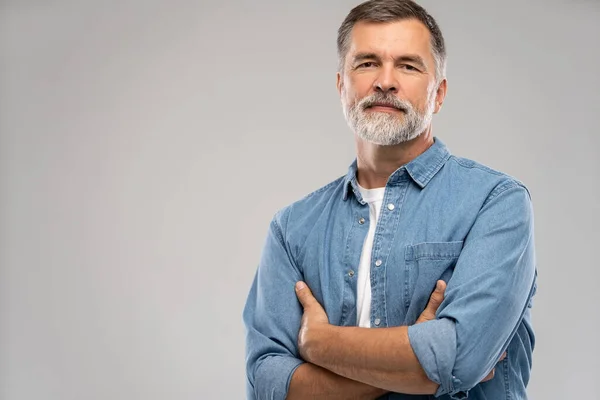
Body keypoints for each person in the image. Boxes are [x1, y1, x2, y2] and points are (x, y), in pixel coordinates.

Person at [243, 0, 537, 399]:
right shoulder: (292, 228)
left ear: (439, 94)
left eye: (408, 65)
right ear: (340, 85)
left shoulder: (496, 203)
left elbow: (461, 357)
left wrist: (319, 343)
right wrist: (419, 360)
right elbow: (267, 384)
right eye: (366, 63)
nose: (385, 81)